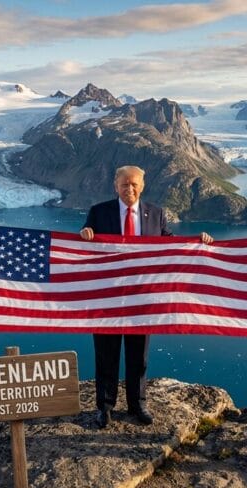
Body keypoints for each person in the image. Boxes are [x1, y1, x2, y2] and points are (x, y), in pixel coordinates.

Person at [80, 165, 212, 428]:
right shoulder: (99, 211)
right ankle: (104, 407)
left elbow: (170, 245)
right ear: (115, 186)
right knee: (106, 354)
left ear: (143, 185)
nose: (129, 189)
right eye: (124, 184)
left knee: (138, 356)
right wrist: (85, 235)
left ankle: (137, 405)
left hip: (142, 298)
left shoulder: (156, 213)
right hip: (108, 299)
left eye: (134, 184)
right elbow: (84, 243)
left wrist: (198, 241)